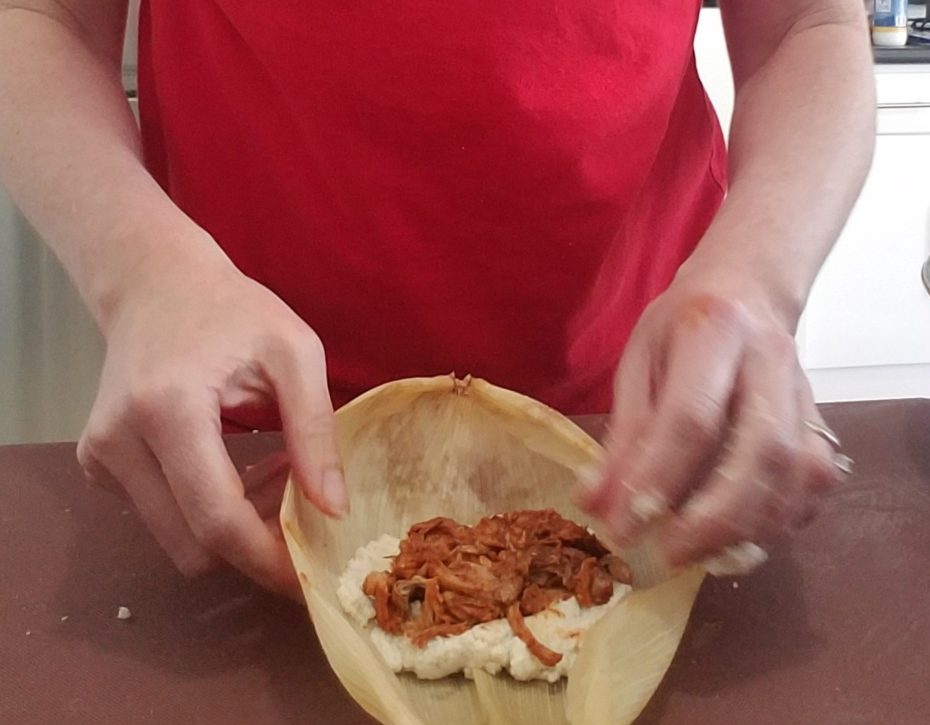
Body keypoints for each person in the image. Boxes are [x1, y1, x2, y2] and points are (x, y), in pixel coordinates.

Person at [0, 0, 874, 598]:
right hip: (256, 451)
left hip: (630, 442)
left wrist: (758, 279)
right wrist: (142, 274)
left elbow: (807, 23)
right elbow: (42, 21)